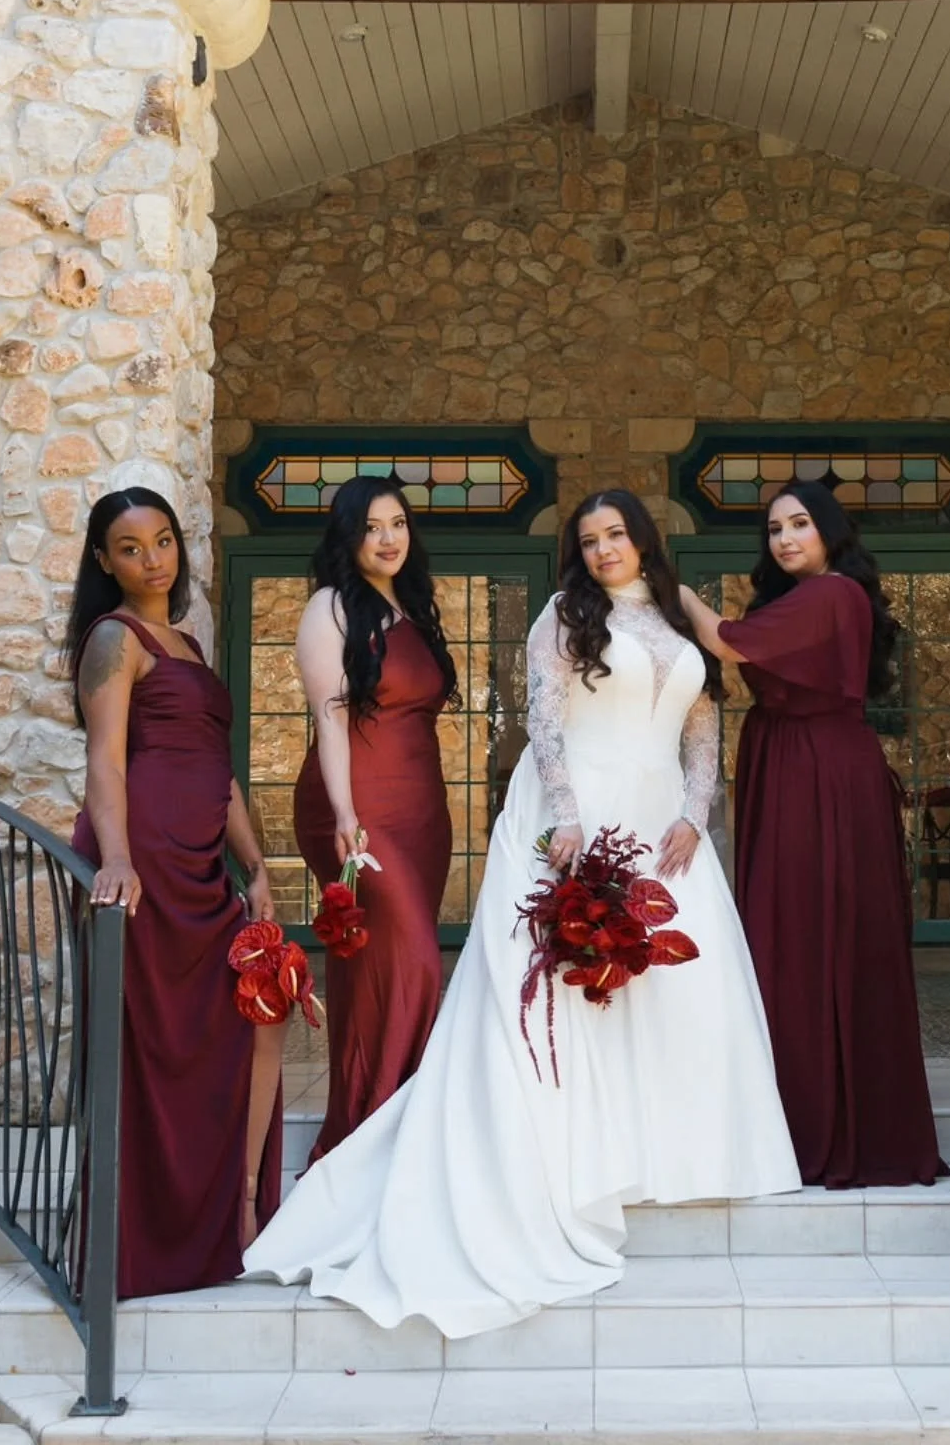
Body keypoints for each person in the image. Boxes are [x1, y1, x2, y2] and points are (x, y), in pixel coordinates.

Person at [243, 489, 799, 1335]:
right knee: (567, 982)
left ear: (643, 539)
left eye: (617, 534)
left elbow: (702, 718)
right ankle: (563, 1151)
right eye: (590, 539)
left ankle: (666, 1149)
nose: (606, 549)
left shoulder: (683, 611)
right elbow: (543, 720)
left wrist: (697, 807)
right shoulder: (561, 613)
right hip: (577, 807)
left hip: (666, 823)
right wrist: (566, 814)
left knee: (673, 987)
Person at [680, 479, 945, 1188]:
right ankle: (794, 1113)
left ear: (829, 531)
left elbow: (728, 645)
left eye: (800, 524)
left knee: (809, 936)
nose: (786, 538)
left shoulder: (832, 594)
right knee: (792, 935)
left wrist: (668, 587)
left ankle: (821, 1125)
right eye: (774, 529)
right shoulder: (804, 600)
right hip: (790, 761)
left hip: (820, 772)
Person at [67, 487, 282, 1298]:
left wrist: (256, 866)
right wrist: (116, 859)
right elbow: (106, 761)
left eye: (163, 542)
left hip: (203, 864)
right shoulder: (112, 641)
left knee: (244, 1024)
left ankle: (232, 1217)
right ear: (103, 561)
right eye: (130, 547)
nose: (152, 559)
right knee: (151, 1055)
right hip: (145, 865)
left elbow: (217, 772)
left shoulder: (187, 643)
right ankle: (146, 1248)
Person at [293, 476, 458, 1161]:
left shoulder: (416, 609)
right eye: (371, 527)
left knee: (382, 966)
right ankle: (373, 1133)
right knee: (416, 958)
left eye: (398, 524)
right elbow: (329, 718)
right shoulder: (329, 608)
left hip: (423, 809)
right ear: (348, 537)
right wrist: (344, 812)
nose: (387, 539)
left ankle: (402, 1133)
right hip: (356, 804)